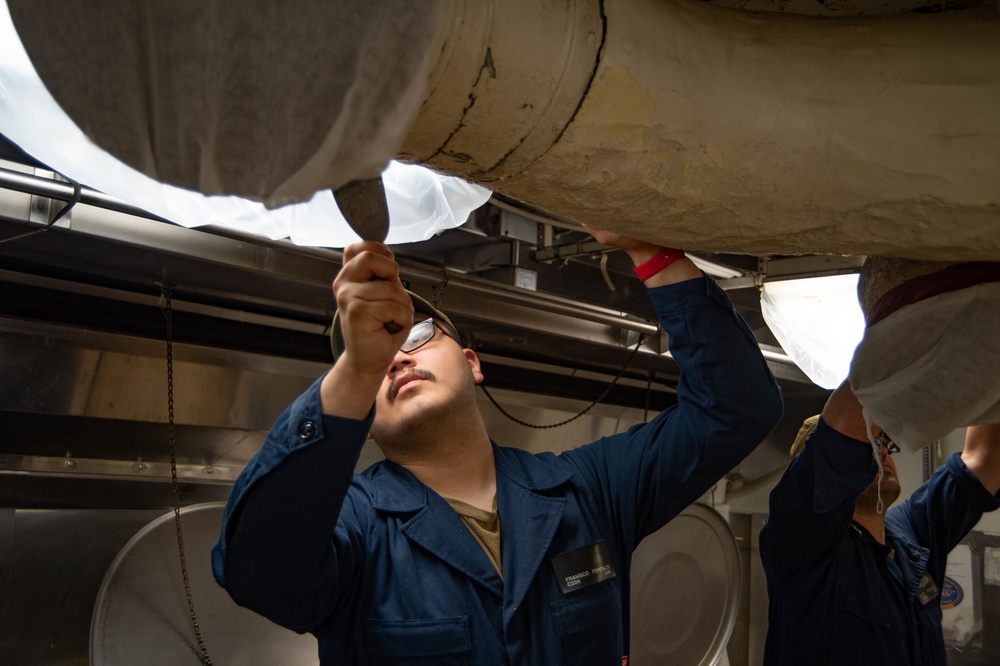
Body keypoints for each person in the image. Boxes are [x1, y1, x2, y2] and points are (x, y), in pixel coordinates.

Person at [212, 229, 783, 664]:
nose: (396, 357)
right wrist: (354, 369)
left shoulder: (587, 490)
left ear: (471, 363)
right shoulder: (355, 529)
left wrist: (644, 247)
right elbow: (260, 572)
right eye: (373, 360)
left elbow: (736, 407)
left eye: (415, 334)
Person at [759, 380, 1000, 665]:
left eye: (885, 444)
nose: (883, 451)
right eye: (871, 446)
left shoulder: (911, 536)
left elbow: (982, 461)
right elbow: (844, 431)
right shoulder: (804, 541)